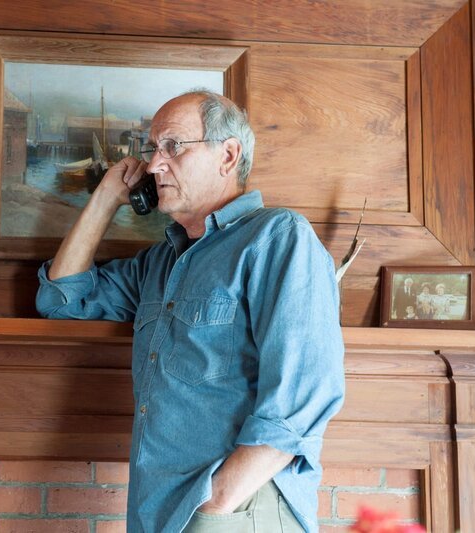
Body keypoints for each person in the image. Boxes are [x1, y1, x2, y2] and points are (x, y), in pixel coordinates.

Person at [36, 90, 345, 532]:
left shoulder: (278, 237)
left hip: (233, 511)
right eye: (152, 148)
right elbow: (61, 300)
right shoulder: (158, 264)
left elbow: (304, 396)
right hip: (159, 512)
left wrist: (219, 502)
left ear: (228, 155)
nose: (154, 165)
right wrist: (105, 197)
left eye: (173, 146)